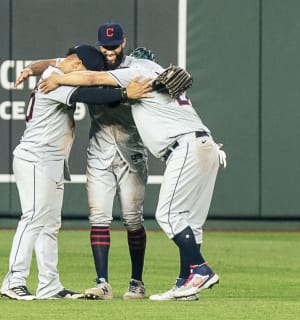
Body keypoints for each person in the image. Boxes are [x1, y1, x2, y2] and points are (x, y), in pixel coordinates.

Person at [39, 53, 226, 301]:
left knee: (168, 215)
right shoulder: (161, 77)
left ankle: (200, 269)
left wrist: (60, 80)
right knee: (191, 222)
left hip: (184, 148)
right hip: (207, 145)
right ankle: (185, 284)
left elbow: (93, 78)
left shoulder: (136, 71)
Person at [0, 44, 151, 301]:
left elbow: (48, 61)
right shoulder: (54, 79)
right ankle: (14, 280)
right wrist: (125, 92)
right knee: (34, 217)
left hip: (53, 161)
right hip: (35, 158)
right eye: (87, 70)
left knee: (49, 225)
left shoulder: (58, 68)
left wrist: (29, 68)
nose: (87, 75)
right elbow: (91, 95)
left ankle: (49, 285)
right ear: (79, 64)